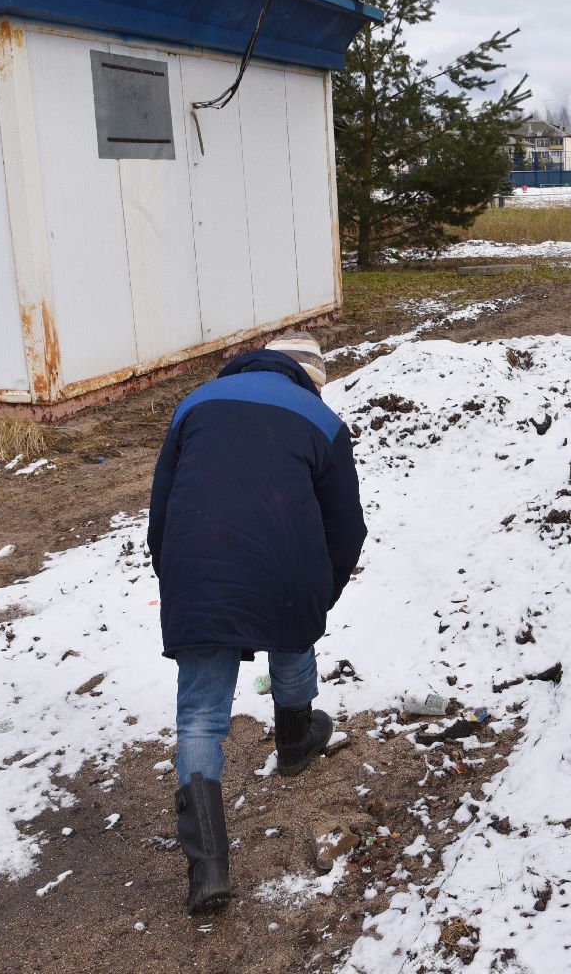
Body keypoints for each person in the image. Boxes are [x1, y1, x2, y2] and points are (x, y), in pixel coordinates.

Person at [147, 331, 366, 916]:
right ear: (310, 379)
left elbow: (162, 507)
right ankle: (295, 741)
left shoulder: (194, 403)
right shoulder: (320, 420)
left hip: (195, 565)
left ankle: (208, 867)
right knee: (292, 632)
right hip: (284, 568)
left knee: (199, 712)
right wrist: (324, 591)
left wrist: (176, 579)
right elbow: (347, 528)